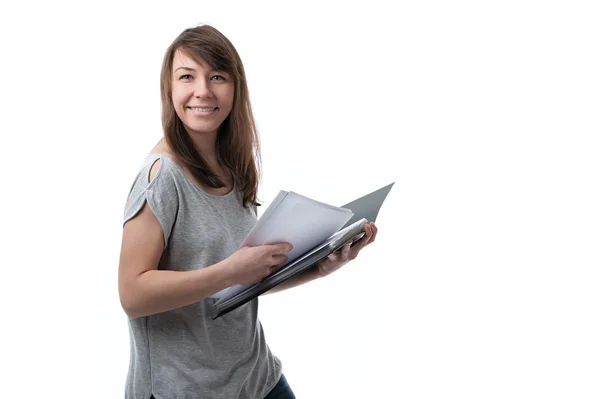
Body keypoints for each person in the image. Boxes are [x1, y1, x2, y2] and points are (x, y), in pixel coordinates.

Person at [118, 24, 378, 399]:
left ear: (235, 87)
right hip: (187, 389)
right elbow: (132, 294)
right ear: (169, 89)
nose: (202, 91)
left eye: (217, 76)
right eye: (187, 76)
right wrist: (228, 271)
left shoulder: (232, 166)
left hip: (256, 378)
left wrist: (320, 266)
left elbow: (239, 286)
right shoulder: (161, 176)